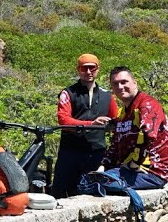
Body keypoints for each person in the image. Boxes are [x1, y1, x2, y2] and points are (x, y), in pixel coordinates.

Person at [48, 53, 118, 198]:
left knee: (94, 193)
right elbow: (64, 120)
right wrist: (92, 124)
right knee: (61, 194)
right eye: (84, 68)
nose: (88, 72)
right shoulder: (68, 93)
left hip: (97, 152)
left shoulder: (107, 95)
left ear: (98, 69)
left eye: (92, 68)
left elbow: (116, 120)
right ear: (78, 69)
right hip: (70, 152)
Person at [92, 66, 168, 189]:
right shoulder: (122, 113)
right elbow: (115, 145)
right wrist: (103, 167)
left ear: (135, 83)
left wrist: (134, 164)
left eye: (124, 82)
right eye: (115, 84)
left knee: (95, 184)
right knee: (91, 180)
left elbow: (148, 135)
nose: (120, 87)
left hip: (151, 173)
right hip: (127, 171)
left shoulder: (147, 104)